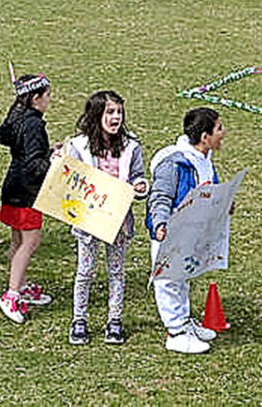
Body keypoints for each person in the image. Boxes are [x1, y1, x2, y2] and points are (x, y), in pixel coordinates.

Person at [65, 90, 148, 346]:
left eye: (119, 112)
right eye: (110, 112)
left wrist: (141, 186)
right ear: (96, 115)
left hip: (118, 220)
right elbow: (69, 179)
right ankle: (79, 320)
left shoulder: (131, 145)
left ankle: (115, 321)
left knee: (116, 271)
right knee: (85, 271)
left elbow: (138, 175)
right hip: (89, 220)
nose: (116, 118)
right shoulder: (79, 146)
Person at [149, 106, 228, 355]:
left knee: (182, 279)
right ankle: (175, 332)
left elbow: (209, 189)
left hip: (192, 233)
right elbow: (160, 196)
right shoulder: (174, 164)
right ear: (205, 137)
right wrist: (160, 224)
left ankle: (184, 322)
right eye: (219, 128)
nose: (223, 133)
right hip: (171, 234)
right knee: (169, 282)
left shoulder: (205, 160)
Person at [0, 71, 55, 323]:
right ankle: (12, 294)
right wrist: (53, 159)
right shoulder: (34, 124)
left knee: (18, 241)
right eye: (47, 95)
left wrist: (49, 151)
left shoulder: (17, 119)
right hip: (27, 192)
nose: (49, 100)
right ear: (35, 98)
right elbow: (34, 165)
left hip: (13, 188)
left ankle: (20, 283)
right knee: (30, 242)